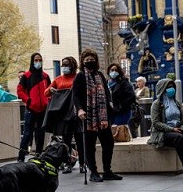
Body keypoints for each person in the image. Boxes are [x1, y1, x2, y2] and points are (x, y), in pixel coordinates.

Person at [72, 48, 122, 182]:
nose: (90, 62)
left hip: (103, 116)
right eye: (87, 60)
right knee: (89, 145)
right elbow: (75, 95)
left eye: (92, 60)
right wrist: (79, 109)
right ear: (82, 62)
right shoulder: (80, 76)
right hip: (88, 116)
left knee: (109, 143)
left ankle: (107, 170)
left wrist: (110, 104)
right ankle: (93, 172)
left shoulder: (100, 75)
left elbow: (106, 92)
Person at [148, 79, 183, 177]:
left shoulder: (177, 103)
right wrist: (171, 129)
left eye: (172, 87)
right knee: (179, 138)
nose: (171, 89)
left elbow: (182, 120)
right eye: (168, 87)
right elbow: (156, 123)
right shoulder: (156, 104)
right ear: (163, 89)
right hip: (162, 133)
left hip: (177, 130)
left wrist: (182, 128)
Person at [45, 56, 82, 173]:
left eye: (67, 65)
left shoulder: (77, 78)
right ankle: (67, 162)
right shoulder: (58, 80)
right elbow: (46, 92)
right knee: (66, 140)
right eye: (63, 65)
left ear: (72, 66)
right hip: (63, 114)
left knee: (79, 138)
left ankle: (83, 163)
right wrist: (51, 90)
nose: (64, 67)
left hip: (76, 113)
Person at [16, 52, 51, 161]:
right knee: (27, 134)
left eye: (39, 60)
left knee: (40, 135)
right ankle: (21, 158)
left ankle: (39, 155)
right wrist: (28, 100)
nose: (38, 62)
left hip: (43, 110)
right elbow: (19, 90)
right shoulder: (26, 76)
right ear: (32, 61)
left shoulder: (45, 76)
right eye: (36, 60)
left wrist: (47, 101)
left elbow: (50, 90)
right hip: (31, 109)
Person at [107, 63, 136, 139]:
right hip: (110, 112)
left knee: (119, 132)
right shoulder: (107, 84)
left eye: (116, 70)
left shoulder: (124, 83)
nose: (113, 72)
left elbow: (132, 97)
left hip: (122, 112)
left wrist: (121, 106)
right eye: (112, 70)